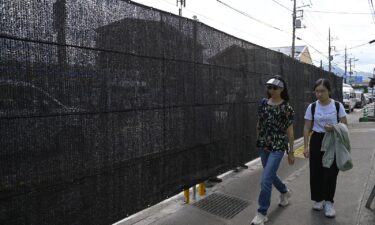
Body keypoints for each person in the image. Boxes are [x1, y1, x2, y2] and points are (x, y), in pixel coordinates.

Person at [251, 75, 295, 225]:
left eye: (274, 87)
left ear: (282, 89)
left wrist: (291, 152)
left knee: (265, 180)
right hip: (264, 144)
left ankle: (261, 213)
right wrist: (258, 139)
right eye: (269, 87)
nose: (270, 90)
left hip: (277, 146)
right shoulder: (263, 103)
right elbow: (259, 123)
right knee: (269, 175)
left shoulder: (286, 107)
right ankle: (284, 191)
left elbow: (289, 131)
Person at [303, 78, 347, 218]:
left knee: (330, 172)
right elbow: (307, 127)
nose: (319, 94)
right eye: (317, 91)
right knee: (316, 171)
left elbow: (345, 125)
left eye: (322, 91)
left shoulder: (337, 106)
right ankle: (318, 199)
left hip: (333, 140)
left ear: (329, 91)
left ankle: (329, 202)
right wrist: (305, 146)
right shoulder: (312, 107)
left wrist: (334, 127)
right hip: (316, 140)